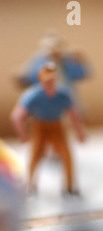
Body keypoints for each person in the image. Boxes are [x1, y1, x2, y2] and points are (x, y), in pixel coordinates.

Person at [10, 62, 86, 196]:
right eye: (47, 79)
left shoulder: (63, 94)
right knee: (36, 155)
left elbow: (74, 115)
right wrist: (23, 135)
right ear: (40, 79)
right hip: (40, 127)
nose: (50, 82)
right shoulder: (33, 96)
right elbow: (17, 116)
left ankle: (69, 187)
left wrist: (79, 132)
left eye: (52, 78)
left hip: (57, 126)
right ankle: (30, 185)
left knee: (66, 155)